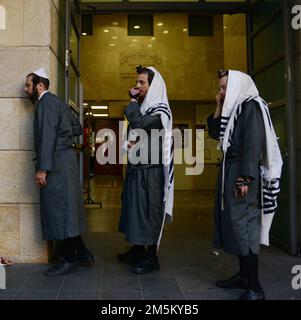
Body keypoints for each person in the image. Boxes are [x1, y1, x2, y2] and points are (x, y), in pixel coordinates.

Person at [207, 69, 282, 300]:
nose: (221, 92)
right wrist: (218, 105)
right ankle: (244, 276)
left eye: (224, 88)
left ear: (238, 86)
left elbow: (253, 143)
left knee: (245, 227)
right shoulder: (234, 108)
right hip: (231, 170)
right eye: (219, 88)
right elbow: (213, 132)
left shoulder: (251, 106)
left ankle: (255, 287)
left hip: (242, 172)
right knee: (235, 224)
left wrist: (245, 178)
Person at [24, 68, 95, 277]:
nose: (25, 89)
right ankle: (82, 254)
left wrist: (42, 168)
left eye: (28, 85)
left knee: (60, 211)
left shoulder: (45, 104)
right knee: (66, 209)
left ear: (40, 85)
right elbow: (76, 127)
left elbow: (47, 137)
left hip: (55, 163)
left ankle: (69, 260)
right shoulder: (57, 102)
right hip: (66, 161)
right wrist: (65, 139)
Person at [118, 66, 174, 274]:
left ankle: (151, 257)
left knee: (149, 213)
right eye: (137, 82)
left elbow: (139, 124)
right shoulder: (145, 108)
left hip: (150, 173)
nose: (137, 86)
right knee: (134, 211)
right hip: (137, 170)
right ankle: (137, 249)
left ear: (153, 86)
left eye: (142, 83)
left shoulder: (160, 111)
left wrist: (132, 102)